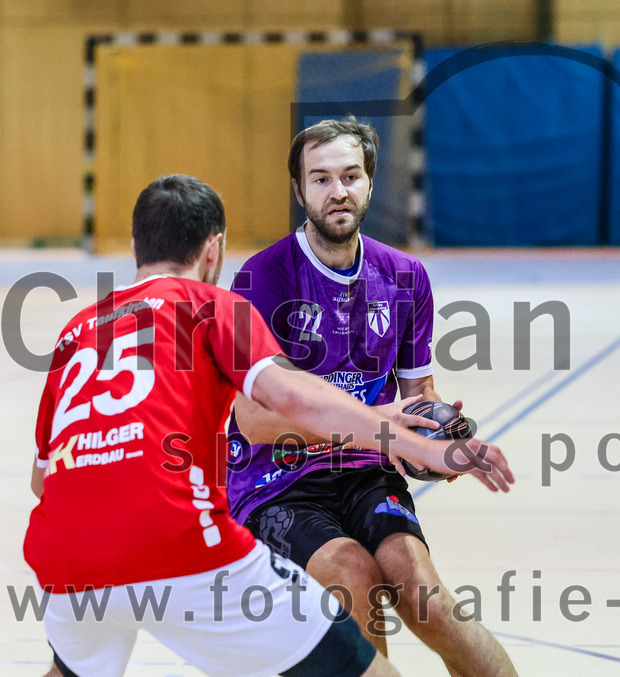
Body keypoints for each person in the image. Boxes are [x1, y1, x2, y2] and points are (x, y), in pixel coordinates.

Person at [25, 174, 512, 677]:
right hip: (180, 543)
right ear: (214, 249)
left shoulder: (77, 330)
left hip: (66, 562)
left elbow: (43, 480)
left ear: (134, 246)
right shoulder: (214, 307)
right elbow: (294, 397)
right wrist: (419, 445)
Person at [226, 119, 518, 675]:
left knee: (425, 597)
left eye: (350, 176)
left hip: (366, 468)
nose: (337, 190)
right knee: (352, 576)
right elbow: (256, 422)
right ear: (299, 190)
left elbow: (419, 391)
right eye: (320, 179)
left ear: (369, 183)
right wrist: (376, 423)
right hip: (277, 480)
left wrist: (434, 435)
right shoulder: (262, 279)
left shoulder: (405, 276)